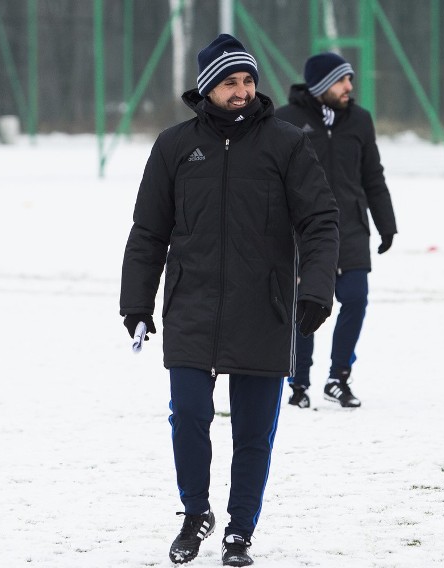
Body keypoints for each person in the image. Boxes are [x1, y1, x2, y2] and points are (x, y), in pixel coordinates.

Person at [120, 34, 339, 567]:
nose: (241, 92)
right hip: (191, 304)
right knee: (189, 415)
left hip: (264, 306)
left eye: (246, 81)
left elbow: (319, 221)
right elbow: (149, 230)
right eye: (228, 83)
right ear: (207, 89)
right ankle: (196, 513)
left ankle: (240, 530)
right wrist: (136, 302)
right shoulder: (174, 146)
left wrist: (314, 288)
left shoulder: (286, 143)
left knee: (254, 430)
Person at [275, 52, 398, 409]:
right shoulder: (285, 121)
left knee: (356, 299)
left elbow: (372, 176)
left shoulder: (360, 120)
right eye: (342, 81)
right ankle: (298, 382)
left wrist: (386, 224)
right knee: (306, 305)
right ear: (320, 86)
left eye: (350, 80)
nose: (350, 87)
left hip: (352, 229)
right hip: (304, 234)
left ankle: (338, 377)